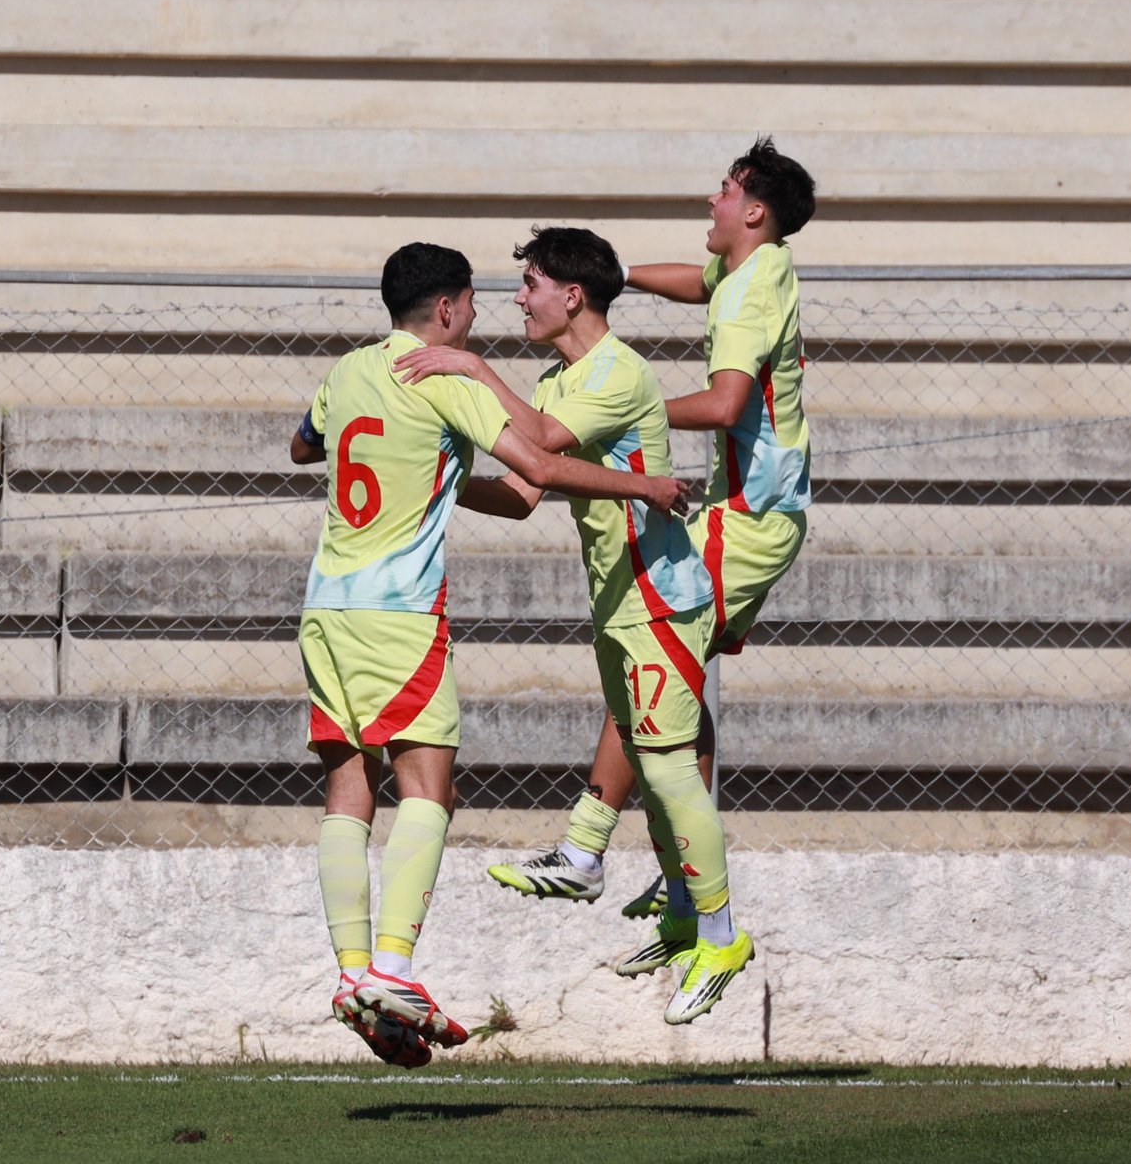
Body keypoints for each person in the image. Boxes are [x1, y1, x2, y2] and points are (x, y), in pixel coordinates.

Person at [291, 241, 690, 1067]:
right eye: (471, 303)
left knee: (347, 779)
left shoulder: (346, 372)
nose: (480, 315)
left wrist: (426, 471)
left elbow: (305, 446)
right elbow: (538, 464)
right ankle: (394, 970)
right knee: (427, 780)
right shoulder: (447, 374)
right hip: (399, 614)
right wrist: (645, 486)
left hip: (326, 606)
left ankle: (351, 976)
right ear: (444, 310)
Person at [395, 226, 754, 1024]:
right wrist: (440, 486)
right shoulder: (558, 377)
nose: (518, 298)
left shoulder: (618, 373)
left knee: (666, 770)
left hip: (661, 601)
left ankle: (724, 934)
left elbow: (544, 447)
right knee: (656, 775)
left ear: (572, 295)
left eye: (530, 282)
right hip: (619, 602)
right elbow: (527, 490)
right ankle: (686, 915)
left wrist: (470, 366)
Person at [484, 136, 817, 937]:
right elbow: (694, 284)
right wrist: (617, 274)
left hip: (750, 517)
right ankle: (674, 882)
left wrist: (624, 413)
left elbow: (727, 404)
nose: (712, 200)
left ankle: (594, 854)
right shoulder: (749, 271)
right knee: (671, 685)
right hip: (755, 511)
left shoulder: (744, 296)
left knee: (653, 661)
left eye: (725, 190)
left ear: (755, 209)